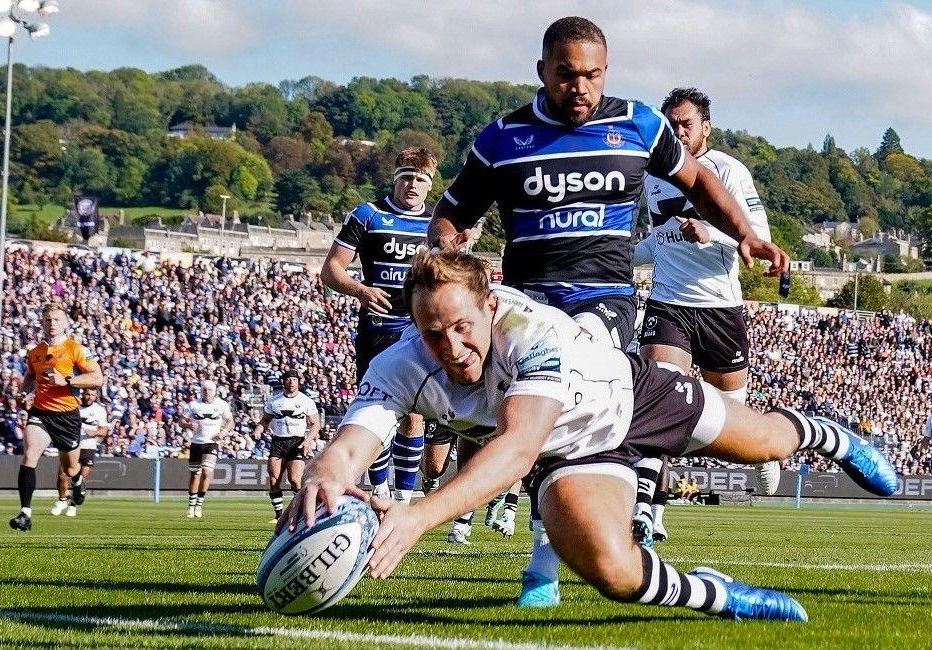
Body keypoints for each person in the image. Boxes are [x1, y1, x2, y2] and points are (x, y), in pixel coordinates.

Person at [281, 249, 897, 623]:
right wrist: (326, 475)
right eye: (432, 334)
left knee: (767, 441)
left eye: (462, 327)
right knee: (613, 573)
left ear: (489, 306)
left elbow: (516, 448)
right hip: (571, 453)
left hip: (634, 398)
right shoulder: (400, 363)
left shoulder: (534, 331)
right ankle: (718, 594)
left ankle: (831, 438)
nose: (451, 348)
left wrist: (417, 517)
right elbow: (356, 440)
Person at [427, 15, 788, 606]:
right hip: (525, 304)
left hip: (604, 298)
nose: (581, 88)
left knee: (561, 397)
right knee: (545, 429)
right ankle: (556, 553)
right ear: (541, 71)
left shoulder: (638, 124)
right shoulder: (500, 139)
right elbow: (453, 213)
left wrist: (744, 233)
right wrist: (445, 244)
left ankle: (545, 564)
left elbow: (697, 182)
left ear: (606, 71)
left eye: (592, 75)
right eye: (567, 75)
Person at [630, 87, 780, 546]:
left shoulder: (730, 171)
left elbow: (760, 235)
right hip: (669, 303)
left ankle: (764, 448)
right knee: (659, 399)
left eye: (685, 124)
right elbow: (655, 241)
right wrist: (619, 258)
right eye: (670, 123)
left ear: (705, 128)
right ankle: (647, 512)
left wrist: (712, 233)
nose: (677, 131)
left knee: (732, 415)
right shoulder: (653, 176)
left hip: (719, 308)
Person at [321, 147, 439, 504]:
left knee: (414, 413)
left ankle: (402, 498)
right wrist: (360, 290)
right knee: (378, 408)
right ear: (395, 179)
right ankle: (379, 488)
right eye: (407, 177)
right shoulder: (368, 215)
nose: (412, 185)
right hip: (375, 327)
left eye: (421, 180)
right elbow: (331, 269)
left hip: (415, 328)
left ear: (430, 185)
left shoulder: (435, 225)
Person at [9, 303, 104, 532]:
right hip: (41, 412)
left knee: (70, 470)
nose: (52, 324)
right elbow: (31, 376)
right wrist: (25, 392)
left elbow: (97, 378)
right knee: (29, 455)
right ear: (42, 322)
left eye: (57, 320)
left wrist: (68, 381)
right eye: (48, 320)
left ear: (65, 323)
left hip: (67, 415)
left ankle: (78, 483)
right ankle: (25, 513)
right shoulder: (35, 353)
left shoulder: (75, 348)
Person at [255, 370, 319, 523]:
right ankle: (278, 515)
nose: (291, 382)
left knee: (295, 480)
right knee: (274, 480)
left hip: (297, 442)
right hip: (278, 442)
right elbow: (265, 420)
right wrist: (259, 428)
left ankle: (303, 511)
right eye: (288, 379)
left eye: (294, 379)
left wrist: (308, 440)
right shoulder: (274, 401)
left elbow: (315, 424)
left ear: (298, 382)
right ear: (283, 382)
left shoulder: (306, 401)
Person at [178, 380, 233, 518]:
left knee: (207, 472)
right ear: (201, 391)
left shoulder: (221, 405)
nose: (207, 392)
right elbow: (181, 421)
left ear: (214, 391)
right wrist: (189, 426)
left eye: (209, 390)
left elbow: (231, 421)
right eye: (204, 390)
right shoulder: (193, 405)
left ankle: (199, 505)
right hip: (197, 443)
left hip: (212, 443)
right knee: (195, 474)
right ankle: (191, 505)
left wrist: (223, 432)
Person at [51, 387, 109, 517]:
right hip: (71, 444)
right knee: (62, 475)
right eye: (87, 394)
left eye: (93, 395)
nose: (89, 397)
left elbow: (104, 431)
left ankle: (73, 505)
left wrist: (94, 433)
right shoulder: (73, 405)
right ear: (83, 393)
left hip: (88, 446)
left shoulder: (99, 410)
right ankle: (62, 500)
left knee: (81, 480)